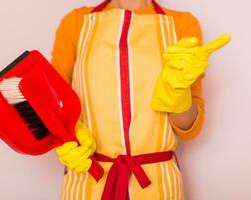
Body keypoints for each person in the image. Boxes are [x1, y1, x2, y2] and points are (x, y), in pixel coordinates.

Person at [51, 0, 230, 199]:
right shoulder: (76, 22)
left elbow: (190, 129)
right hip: (88, 180)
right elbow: (51, 105)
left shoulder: (182, 24)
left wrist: (178, 92)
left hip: (158, 185)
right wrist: (67, 137)